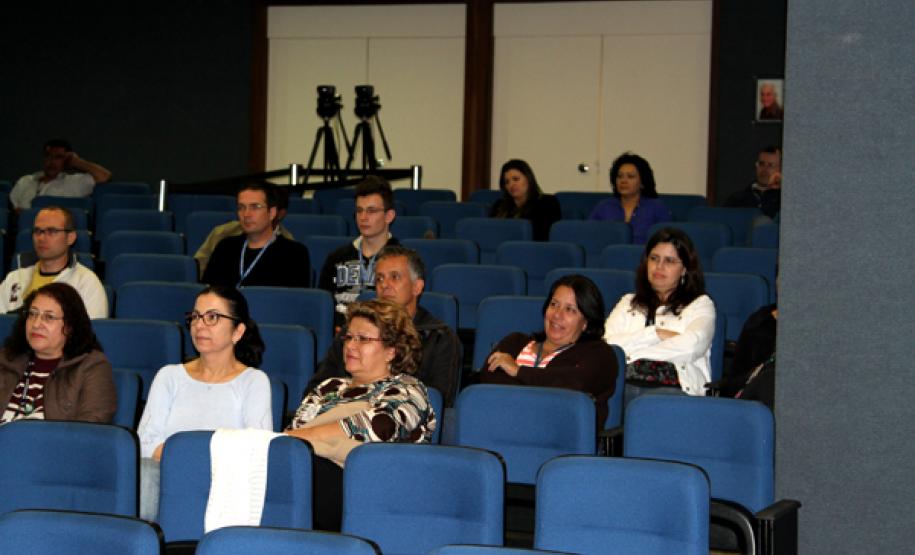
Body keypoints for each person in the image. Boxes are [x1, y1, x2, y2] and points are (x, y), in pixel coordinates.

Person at [286, 298, 435, 531]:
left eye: (363, 339)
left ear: (391, 351)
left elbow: (375, 430)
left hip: (371, 491)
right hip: (312, 479)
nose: (350, 346)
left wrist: (299, 440)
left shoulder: (408, 389)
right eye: (348, 337)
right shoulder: (328, 387)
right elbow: (297, 433)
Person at [136, 285, 272, 520]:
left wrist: (183, 456)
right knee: (144, 471)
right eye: (196, 316)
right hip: (167, 480)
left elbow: (256, 449)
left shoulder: (253, 381)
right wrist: (191, 460)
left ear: (237, 331)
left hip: (224, 484)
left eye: (213, 317)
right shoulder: (169, 376)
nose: (199, 325)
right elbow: (145, 442)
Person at [306, 245, 461, 406]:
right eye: (379, 278)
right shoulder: (353, 331)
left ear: (417, 287)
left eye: (394, 277)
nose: (384, 285)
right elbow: (315, 389)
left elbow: (438, 403)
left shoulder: (438, 338)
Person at [478, 274, 618, 425]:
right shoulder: (514, 342)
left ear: (586, 322)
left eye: (570, 309)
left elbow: (576, 384)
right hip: (497, 426)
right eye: (554, 304)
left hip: (558, 440)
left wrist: (518, 371)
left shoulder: (601, 354)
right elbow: (485, 380)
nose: (557, 314)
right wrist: (544, 392)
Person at [603, 227, 715, 404]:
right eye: (654, 258)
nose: (659, 266)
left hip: (675, 390)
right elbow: (608, 346)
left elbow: (691, 347)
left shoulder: (700, 304)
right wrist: (656, 334)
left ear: (684, 269)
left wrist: (633, 353)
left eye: (669, 261)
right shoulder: (628, 302)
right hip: (625, 385)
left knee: (648, 405)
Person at [0, 282, 115, 424]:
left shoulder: (92, 367)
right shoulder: (6, 359)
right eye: (32, 314)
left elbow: (90, 433)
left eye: (49, 317)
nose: (36, 324)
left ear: (70, 325)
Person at [318, 176, 400, 324]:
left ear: (389, 216)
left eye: (371, 211)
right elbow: (322, 308)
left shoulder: (402, 260)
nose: (363, 217)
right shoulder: (336, 259)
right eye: (359, 210)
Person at [0, 207, 107, 318]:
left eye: (51, 231)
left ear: (70, 237)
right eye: (37, 231)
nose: (41, 238)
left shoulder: (87, 283)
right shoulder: (14, 279)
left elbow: (91, 333)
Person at [201, 183, 310, 288]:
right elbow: (208, 292)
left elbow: (295, 302)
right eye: (241, 207)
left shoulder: (294, 254)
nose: (246, 214)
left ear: (272, 213)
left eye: (255, 207)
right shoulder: (225, 247)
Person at [589, 152, 671, 243]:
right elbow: (590, 236)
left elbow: (667, 241)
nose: (623, 181)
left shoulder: (656, 207)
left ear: (642, 182)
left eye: (630, 176)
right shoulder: (604, 207)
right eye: (619, 176)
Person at [10, 139, 112, 212]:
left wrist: (77, 162)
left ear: (67, 160)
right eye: (48, 156)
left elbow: (104, 176)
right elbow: (13, 212)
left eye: (58, 157)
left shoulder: (75, 182)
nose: (51, 162)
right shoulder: (26, 181)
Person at [488, 159, 561, 241]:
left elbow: (544, 237)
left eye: (516, 179)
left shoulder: (547, 203)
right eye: (507, 182)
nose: (511, 184)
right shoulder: (498, 206)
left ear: (528, 179)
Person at [724, 145, 782, 219]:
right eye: (761, 164)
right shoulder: (737, 199)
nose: (764, 169)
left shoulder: (784, 200)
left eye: (770, 165)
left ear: (781, 169)